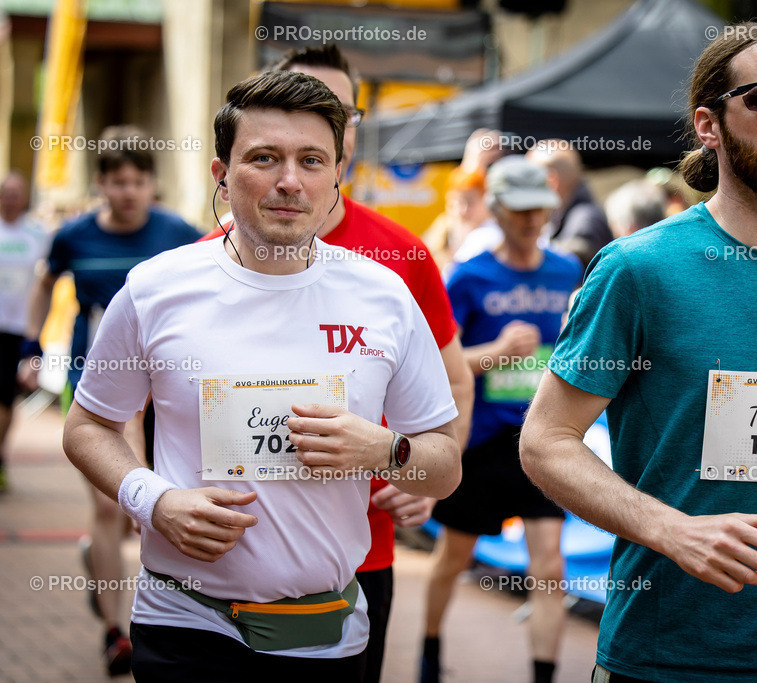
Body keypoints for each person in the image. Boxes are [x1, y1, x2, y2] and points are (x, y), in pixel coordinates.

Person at [520, 21, 757, 682]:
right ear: (708, 124)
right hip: (665, 655)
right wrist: (672, 530)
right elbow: (546, 441)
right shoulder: (639, 269)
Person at [63, 69, 462, 681]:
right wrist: (155, 501)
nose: (288, 181)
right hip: (183, 622)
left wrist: (382, 448)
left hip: (325, 634)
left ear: (337, 177)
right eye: (264, 158)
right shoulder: (156, 289)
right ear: (221, 175)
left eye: (310, 160)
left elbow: (443, 465)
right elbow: (88, 424)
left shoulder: (383, 294)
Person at [198, 44, 474, 683]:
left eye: (338, 111)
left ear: (349, 129)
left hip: (357, 553)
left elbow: (453, 380)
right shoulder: (209, 259)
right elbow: (140, 406)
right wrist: (154, 500)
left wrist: (415, 470)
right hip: (221, 559)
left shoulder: (399, 256)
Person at [18, 126, 200, 675]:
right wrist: (31, 347)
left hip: (163, 386)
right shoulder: (72, 236)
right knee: (110, 503)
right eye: (117, 182)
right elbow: (44, 283)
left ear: (152, 185)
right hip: (96, 381)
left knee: (145, 504)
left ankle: (128, 588)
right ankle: (117, 633)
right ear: (100, 184)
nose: (127, 192)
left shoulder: (179, 233)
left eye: (138, 181)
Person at [423, 156, 582, 683]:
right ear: (495, 209)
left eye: (540, 209)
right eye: (520, 210)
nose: (532, 219)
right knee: (453, 557)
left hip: (544, 438)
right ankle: (428, 651)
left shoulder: (567, 271)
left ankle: (543, 673)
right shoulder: (469, 277)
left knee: (549, 564)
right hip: (482, 443)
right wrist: (496, 351)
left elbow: (583, 352)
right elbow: (435, 361)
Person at [0, 171, 50, 492]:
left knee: (6, 397)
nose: (11, 198)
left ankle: (0, 453)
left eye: (17, 192)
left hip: (18, 328)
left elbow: (48, 278)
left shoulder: (37, 233)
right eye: (6, 192)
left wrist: (36, 334)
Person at [526, 140, 613, 266]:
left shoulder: (584, 224)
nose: (523, 189)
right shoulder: (564, 214)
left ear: (550, 181)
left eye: (528, 178)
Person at [603, 178, 667, 239]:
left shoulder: (624, 248)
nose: (614, 232)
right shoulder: (672, 242)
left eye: (614, 223)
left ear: (630, 226)